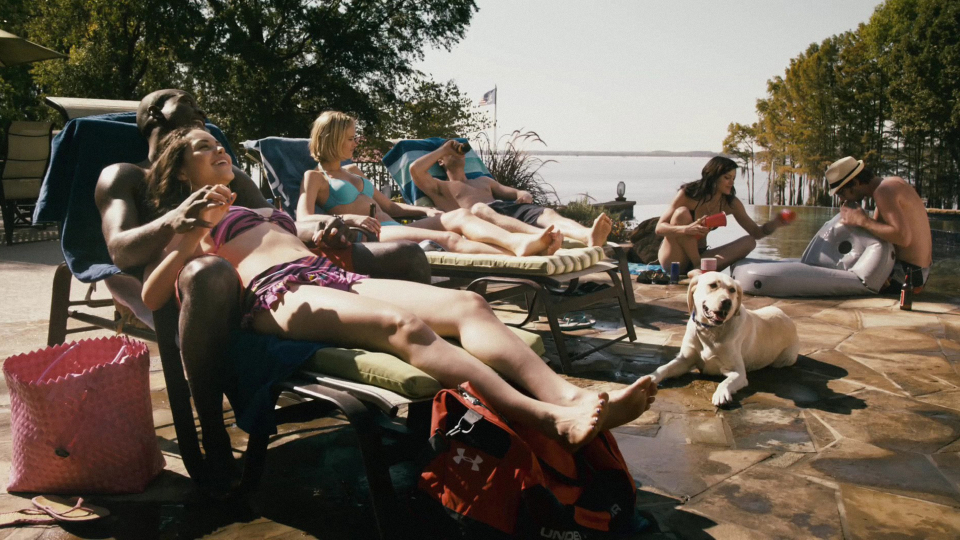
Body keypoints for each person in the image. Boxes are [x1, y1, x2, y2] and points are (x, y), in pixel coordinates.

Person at [142, 127, 659, 450]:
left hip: (328, 275)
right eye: (203, 147)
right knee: (402, 326)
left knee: (469, 304)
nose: (218, 149)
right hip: (278, 294)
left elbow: (301, 225)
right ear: (180, 170)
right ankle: (546, 419)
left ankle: (572, 397)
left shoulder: (250, 205)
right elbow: (153, 294)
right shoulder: (189, 216)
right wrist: (191, 226)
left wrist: (333, 226)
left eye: (217, 142)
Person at [94, 89, 429, 486]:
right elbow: (120, 251)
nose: (200, 109)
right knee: (209, 272)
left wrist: (321, 229)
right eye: (186, 100)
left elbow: (272, 221)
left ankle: (421, 424)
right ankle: (213, 433)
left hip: (279, 270)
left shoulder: (229, 173)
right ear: (154, 112)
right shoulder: (125, 176)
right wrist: (177, 220)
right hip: (204, 282)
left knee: (407, 254)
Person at [298, 112, 561, 256]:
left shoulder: (353, 171)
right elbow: (303, 219)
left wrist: (426, 211)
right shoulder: (315, 178)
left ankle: (516, 242)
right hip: (374, 236)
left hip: (392, 226)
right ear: (332, 139)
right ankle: (517, 256)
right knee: (449, 238)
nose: (355, 143)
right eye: (350, 138)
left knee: (460, 216)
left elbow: (392, 207)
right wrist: (350, 219)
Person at [410, 141, 614, 247]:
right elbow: (415, 170)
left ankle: (587, 235)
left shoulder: (483, 180)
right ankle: (541, 236)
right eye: (449, 152)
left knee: (548, 213)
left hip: (508, 210)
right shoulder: (440, 187)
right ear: (440, 161)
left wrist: (523, 193)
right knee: (479, 208)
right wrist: (444, 149)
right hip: (483, 222)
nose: (457, 152)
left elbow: (514, 192)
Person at [655, 156, 792, 277]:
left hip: (702, 254)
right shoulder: (688, 194)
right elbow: (659, 228)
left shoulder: (730, 203)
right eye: (727, 178)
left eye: (733, 178)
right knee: (681, 213)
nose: (731, 182)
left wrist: (775, 223)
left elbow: (756, 233)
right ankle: (699, 267)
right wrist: (685, 229)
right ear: (713, 177)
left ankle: (698, 270)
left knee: (750, 242)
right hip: (675, 258)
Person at [829, 156, 933, 289]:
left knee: (837, 283)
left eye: (841, 193)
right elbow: (880, 236)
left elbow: (903, 238)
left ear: (855, 182)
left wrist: (863, 220)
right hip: (916, 272)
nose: (841, 199)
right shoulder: (890, 184)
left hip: (908, 275)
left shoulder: (884, 191)